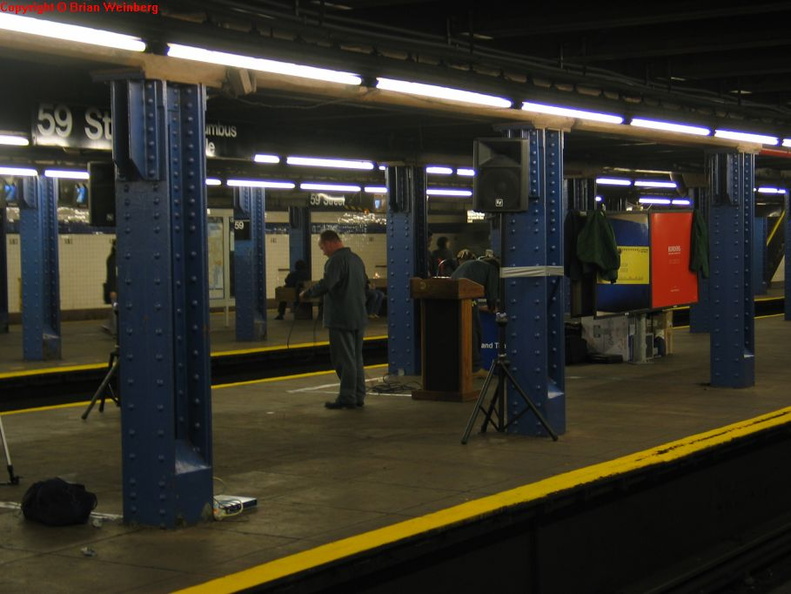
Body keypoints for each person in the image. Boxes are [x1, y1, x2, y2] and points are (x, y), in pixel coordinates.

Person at [300, 230, 368, 409]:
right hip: (359, 316)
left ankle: (347, 397)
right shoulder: (356, 260)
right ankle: (358, 395)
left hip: (341, 317)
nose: (323, 252)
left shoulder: (336, 261)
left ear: (330, 243)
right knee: (356, 358)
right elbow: (366, 285)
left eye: (322, 247)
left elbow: (327, 283)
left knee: (344, 359)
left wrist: (307, 293)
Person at [451, 249, 500, 377]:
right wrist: (492, 307)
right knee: (474, 333)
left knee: (461, 334)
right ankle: (475, 368)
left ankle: (462, 367)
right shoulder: (492, 269)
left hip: (455, 298)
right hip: (467, 298)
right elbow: (492, 293)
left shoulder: (472, 265)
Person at [102, 239, 118, 338]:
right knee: (115, 309)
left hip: (116, 290)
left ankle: (112, 327)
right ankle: (114, 330)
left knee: (115, 308)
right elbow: (112, 276)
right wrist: (112, 289)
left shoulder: (112, 258)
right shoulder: (113, 259)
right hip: (116, 291)